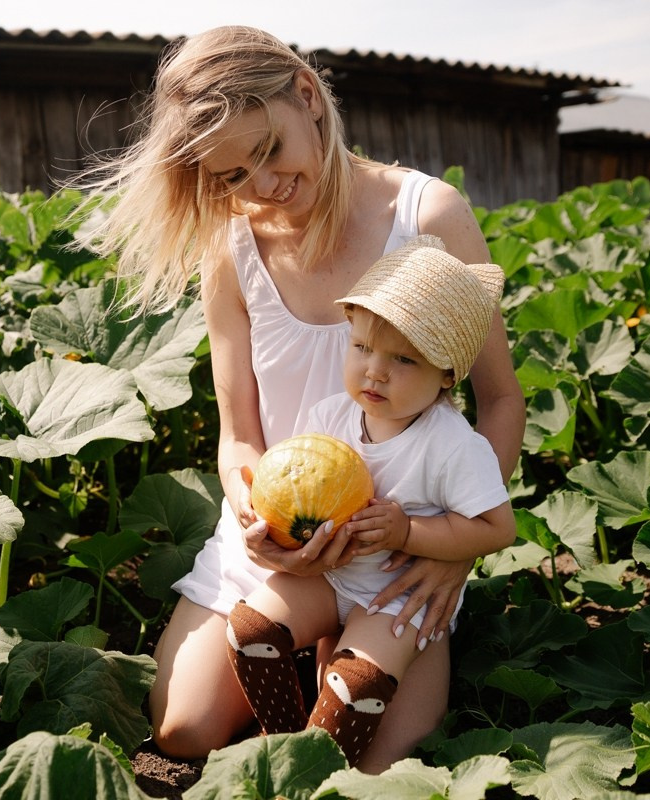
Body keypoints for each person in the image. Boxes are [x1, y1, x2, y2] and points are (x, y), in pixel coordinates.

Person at [74, 25, 524, 772]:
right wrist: (252, 513)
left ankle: (324, 684)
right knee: (182, 730)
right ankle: (295, 680)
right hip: (284, 539)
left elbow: (500, 399)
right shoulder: (232, 244)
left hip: (401, 540)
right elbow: (239, 431)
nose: (261, 186)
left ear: (307, 98)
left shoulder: (428, 216)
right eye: (231, 175)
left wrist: (456, 548)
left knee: (374, 766)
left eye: (270, 151)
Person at [225, 235, 516, 765]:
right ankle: (285, 744)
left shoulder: (453, 444)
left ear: (448, 374)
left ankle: (316, 772)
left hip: (396, 596)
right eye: (361, 347)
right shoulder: (330, 417)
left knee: (358, 686)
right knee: (251, 630)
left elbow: (498, 529)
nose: (374, 371)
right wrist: (269, 521)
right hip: (329, 577)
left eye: (403, 359)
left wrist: (407, 533)